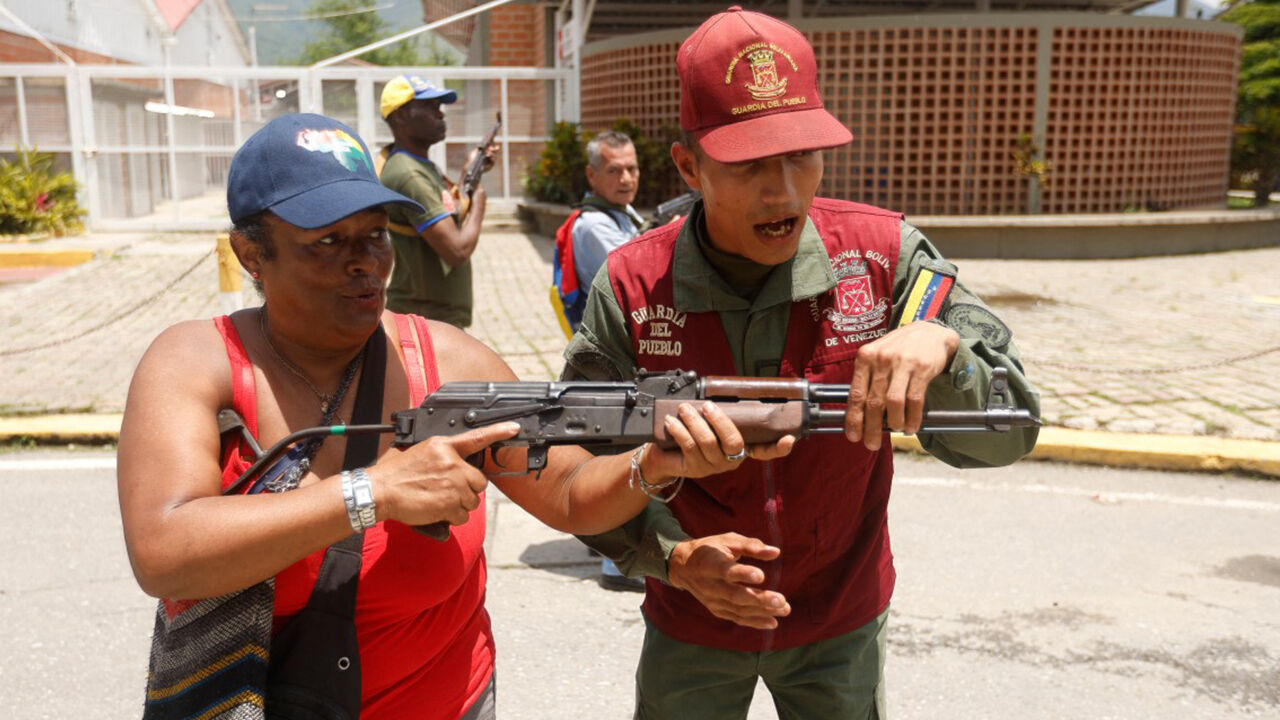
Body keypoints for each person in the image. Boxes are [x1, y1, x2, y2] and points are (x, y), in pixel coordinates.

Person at [116, 113, 791, 720]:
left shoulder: (445, 358)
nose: (364, 263)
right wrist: (373, 492)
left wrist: (650, 466)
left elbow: (563, 493)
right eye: (326, 243)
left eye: (376, 236)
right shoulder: (198, 361)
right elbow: (165, 551)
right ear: (251, 253)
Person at [564, 8, 1041, 719]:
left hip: (840, 623)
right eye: (750, 162)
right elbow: (576, 466)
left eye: (801, 155)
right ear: (690, 165)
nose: (782, 190)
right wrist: (673, 560)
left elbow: (1010, 433)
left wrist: (942, 348)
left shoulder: (888, 258)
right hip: (694, 617)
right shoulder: (633, 285)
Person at [548, 130, 648, 591]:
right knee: (624, 455)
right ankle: (619, 564)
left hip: (623, 355)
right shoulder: (593, 226)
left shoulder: (618, 213)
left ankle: (605, 541)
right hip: (610, 360)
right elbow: (638, 278)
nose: (626, 178)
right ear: (593, 174)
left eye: (631, 168)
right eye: (614, 170)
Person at [377, 75, 490, 328]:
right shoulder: (409, 175)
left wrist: (471, 173)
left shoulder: (418, 165)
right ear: (400, 116)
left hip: (431, 315)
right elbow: (457, 251)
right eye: (430, 107)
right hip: (426, 321)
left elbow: (450, 210)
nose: (440, 115)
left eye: (439, 107)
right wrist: (480, 202)